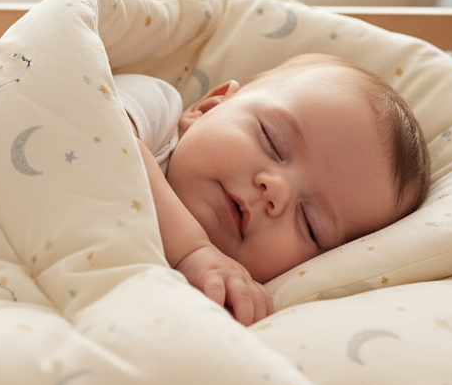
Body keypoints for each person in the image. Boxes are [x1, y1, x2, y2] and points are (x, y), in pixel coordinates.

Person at [116, 53, 430, 327]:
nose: (275, 190)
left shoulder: (224, 295)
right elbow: (96, 129)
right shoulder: (151, 110)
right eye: (272, 141)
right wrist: (192, 251)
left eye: (310, 223)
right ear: (208, 107)